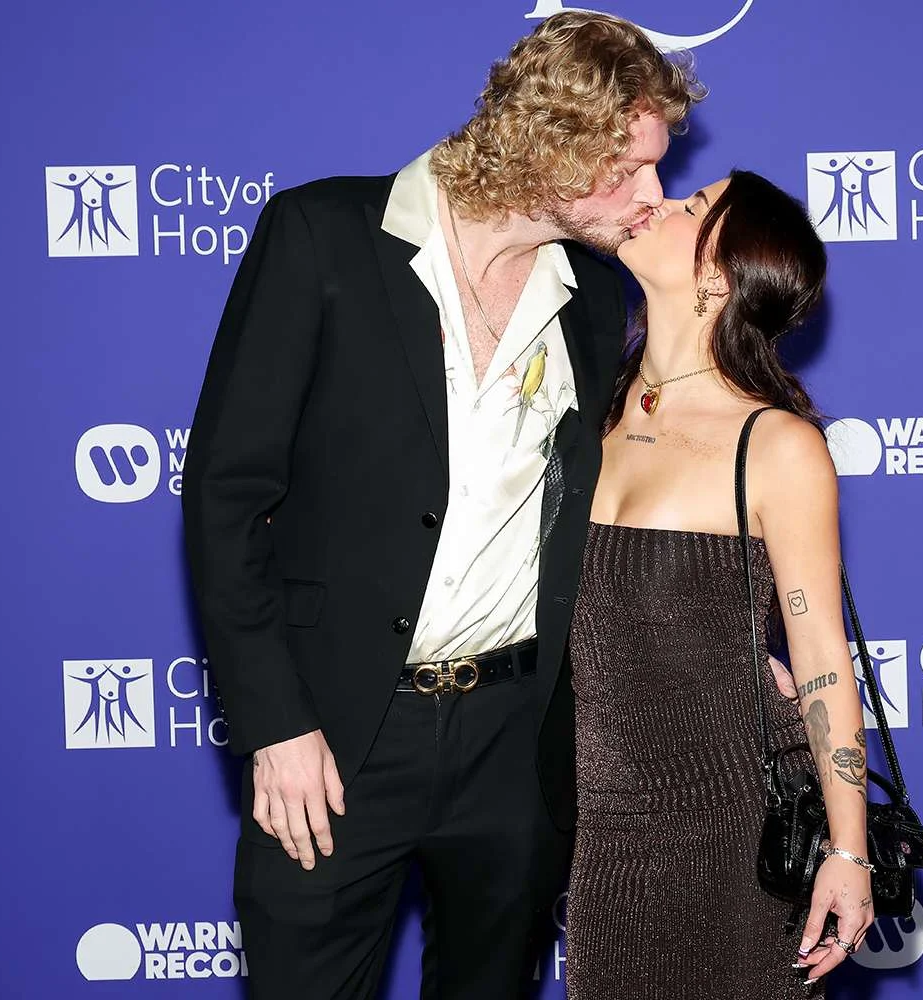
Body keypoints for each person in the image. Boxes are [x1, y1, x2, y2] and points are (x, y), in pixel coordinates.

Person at [179, 13, 702, 1000]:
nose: (653, 197)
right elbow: (225, 496)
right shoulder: (325, 236)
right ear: (553, 143)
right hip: (337, 731)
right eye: (631, 168)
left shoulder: (594, 300)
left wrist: (722, 639)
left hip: (515, 742)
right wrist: (276, 724)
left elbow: (616, 510)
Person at [565, 171, 873, 998]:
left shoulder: (775, 446)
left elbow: (820, 659)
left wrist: (848, 849)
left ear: (720, 277)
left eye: (692, 207)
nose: (658, 201)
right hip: (604, 829)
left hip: (733, 816)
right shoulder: (587, 406)